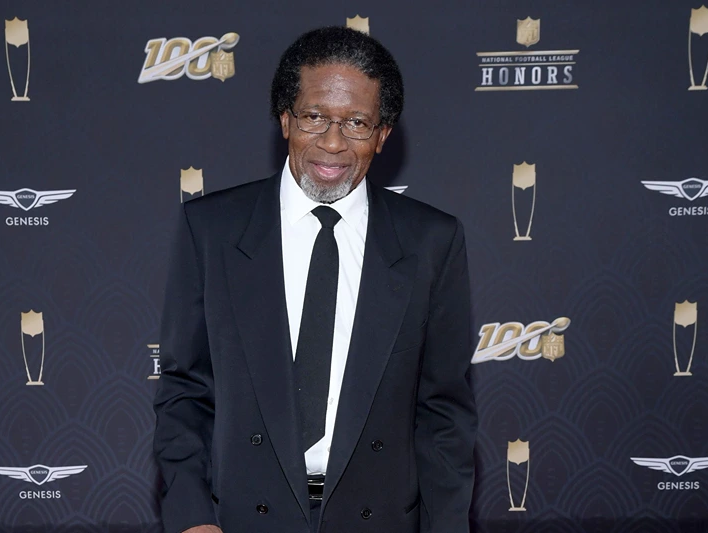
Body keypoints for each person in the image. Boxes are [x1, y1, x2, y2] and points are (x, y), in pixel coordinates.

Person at [154, 26, 477, 533]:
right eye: (313, 117)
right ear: (285, 119)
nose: (332, 143)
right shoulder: (212, 230)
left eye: (356, 123)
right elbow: (184, 392)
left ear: (383, 134)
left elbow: (444, 418)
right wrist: (193, 518)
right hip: (239, 520)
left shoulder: (431, 241)